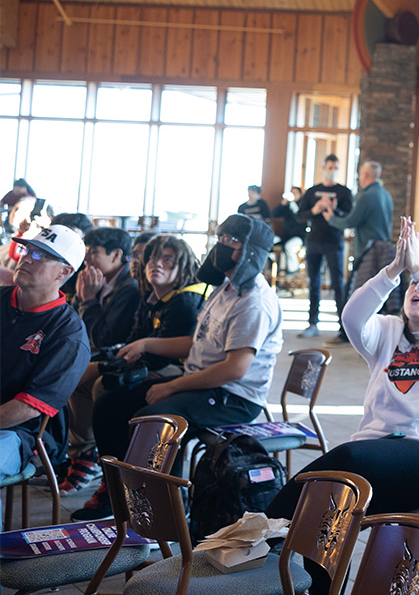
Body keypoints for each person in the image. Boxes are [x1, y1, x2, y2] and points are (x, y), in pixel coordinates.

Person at [265, 217, 419, 592]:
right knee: (334, 502)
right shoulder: (385, 332)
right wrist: (395, 269)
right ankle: (319, 587)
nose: (418, 287)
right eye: (413, 283)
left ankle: (264, 529)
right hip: (380, 453)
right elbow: (351, 316)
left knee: (346, 464)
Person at [78, 214, 283, 520]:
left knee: (155, 420)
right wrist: (147, 343)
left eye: (232, 241)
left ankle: (166, 514)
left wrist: (171, 386)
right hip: (204, 383)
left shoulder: (254, 301)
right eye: (222, 238)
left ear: (250, 251)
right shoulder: (225, 289)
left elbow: (234, 368)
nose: (222, 246)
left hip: (233, 397)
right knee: (110, 403)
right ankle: (117, 492)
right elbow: (197, 343)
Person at [60, 235, 207, 492]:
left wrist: (104, 366)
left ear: (183, 266)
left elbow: (158, 356)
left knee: (106, 391)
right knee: (77, 375)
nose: (155, 264)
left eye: (167, 259)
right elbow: (131, 342)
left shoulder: (184, 300)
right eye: (151, 258)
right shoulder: (149, 296)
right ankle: (85, 455)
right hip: (151, 364)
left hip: (179, 372)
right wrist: (103, 362)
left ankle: (114, 483)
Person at [0, 225, 90, 478]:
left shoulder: (68, 332)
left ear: (64, 271)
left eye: (40, 255)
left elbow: (30, 406)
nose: (26, 258)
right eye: (27, 249)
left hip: (20, 433)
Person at [322, 160, 394, 345]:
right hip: (384, 250)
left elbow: (350, 222)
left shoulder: (367, 196)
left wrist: (331, 218)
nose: (359, 177)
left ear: (367, 176)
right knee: (377, 294)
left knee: (355, 294)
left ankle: (347, 335)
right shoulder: (385, 195)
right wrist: (337, 211)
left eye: (361, 174)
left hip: (369, 251)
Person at [296, 154, 353, 338]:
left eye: (335, 168)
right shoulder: (313, 191)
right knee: (314, 283)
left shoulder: (344, 192)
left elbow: (349, 218)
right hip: (314, 241)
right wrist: (315, 210)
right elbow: (300, 216)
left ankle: (343, 328)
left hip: (334, 242)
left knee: (338, 284)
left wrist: (334, 209)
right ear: (323, 168)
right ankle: (312, 324)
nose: (332, 171)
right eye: (329, 167)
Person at [73, 227, 142, 352]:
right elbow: (72, 325)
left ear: (116, 255)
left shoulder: (130, 289)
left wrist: (88, 300)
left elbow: (104, 339)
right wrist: (79, 296)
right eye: (86, 252)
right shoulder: (98, 279)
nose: (86, 259)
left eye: (93, 252)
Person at [271, 187, 307, 275]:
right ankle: (277, 269)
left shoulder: (303, 205)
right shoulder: (287, 206)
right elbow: (274, 214)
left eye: (295, 193)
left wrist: (294, 206)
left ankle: (293, 270)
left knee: (289, 246)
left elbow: (300, 218)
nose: (293, 195)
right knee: (273, 242)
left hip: (299, 236)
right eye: (292, 193)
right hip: (286, 235)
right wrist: (282, 204)